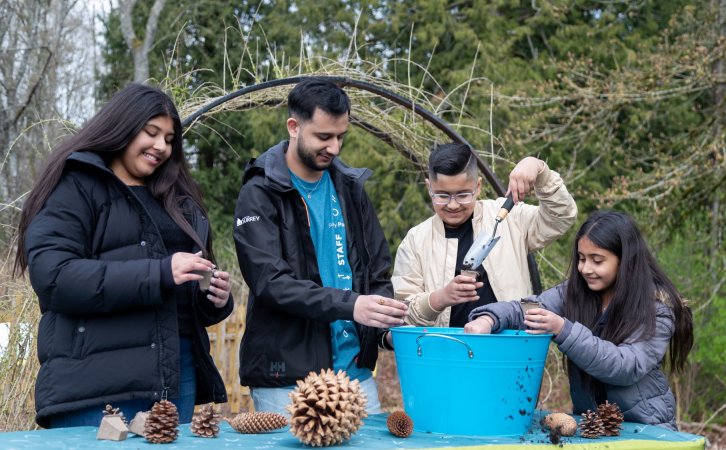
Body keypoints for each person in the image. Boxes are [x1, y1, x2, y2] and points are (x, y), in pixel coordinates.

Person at [13, 84, 233, 428]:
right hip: (97, 384)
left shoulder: (178, 200)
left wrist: (213, 298)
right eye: (151, 133)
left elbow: (180, 284)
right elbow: (54, 278)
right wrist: (160, 273)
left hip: (177, 375)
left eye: (170, 138)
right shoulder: (77, 186)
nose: (161, 146)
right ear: (122, 126)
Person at [233, 78, 407, 415]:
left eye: (341, 136)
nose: (335, 148)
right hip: (287, 381)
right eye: (324, 137)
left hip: (356, 377)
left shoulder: (351, 188)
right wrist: (351, 305)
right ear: (294, 126)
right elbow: (271, 283)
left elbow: (377, 271)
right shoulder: (259, 193)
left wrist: (381, 326)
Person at [464, 211, 694, 430]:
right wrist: (489, 318)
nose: (585, 269)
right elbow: (528, 308)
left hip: (647, 430)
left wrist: (563, 329)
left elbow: (627, 366)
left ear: (625, 261)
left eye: (597, 260)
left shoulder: (657, 307)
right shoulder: (575, 292)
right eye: (582, 258)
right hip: (593, 427)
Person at [392, 142, 577, 328]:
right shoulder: (415, 240)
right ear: (429, 188)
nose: (453, 205)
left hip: (511, 347)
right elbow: (403, 313)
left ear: (478, 186)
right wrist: (440, 298)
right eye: (442, 196)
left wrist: (538, 168)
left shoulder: (509, 218)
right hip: (446, 351)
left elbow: (561, 216)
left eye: (463, 195)